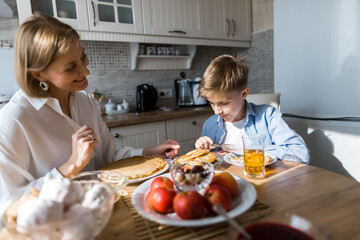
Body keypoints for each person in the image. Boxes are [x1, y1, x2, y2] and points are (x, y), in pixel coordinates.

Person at [0, 14, 179, 220]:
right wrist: (70, 166)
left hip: (100, 215)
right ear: (38, 75)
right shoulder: (13, 120)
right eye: (70, 67)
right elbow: (9, 208)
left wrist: (149, 153)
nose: (85, 70)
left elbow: (108, 160)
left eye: (82, 57)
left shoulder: (83, 100)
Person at [195, 55, 310, 164]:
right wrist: (200, 150)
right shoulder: (210, 125)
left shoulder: (268, 117)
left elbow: (301, 154)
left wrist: (246, 152)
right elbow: (207, 165)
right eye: (211, 103)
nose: (217, 111)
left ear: (244, 94)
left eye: (223, 103)